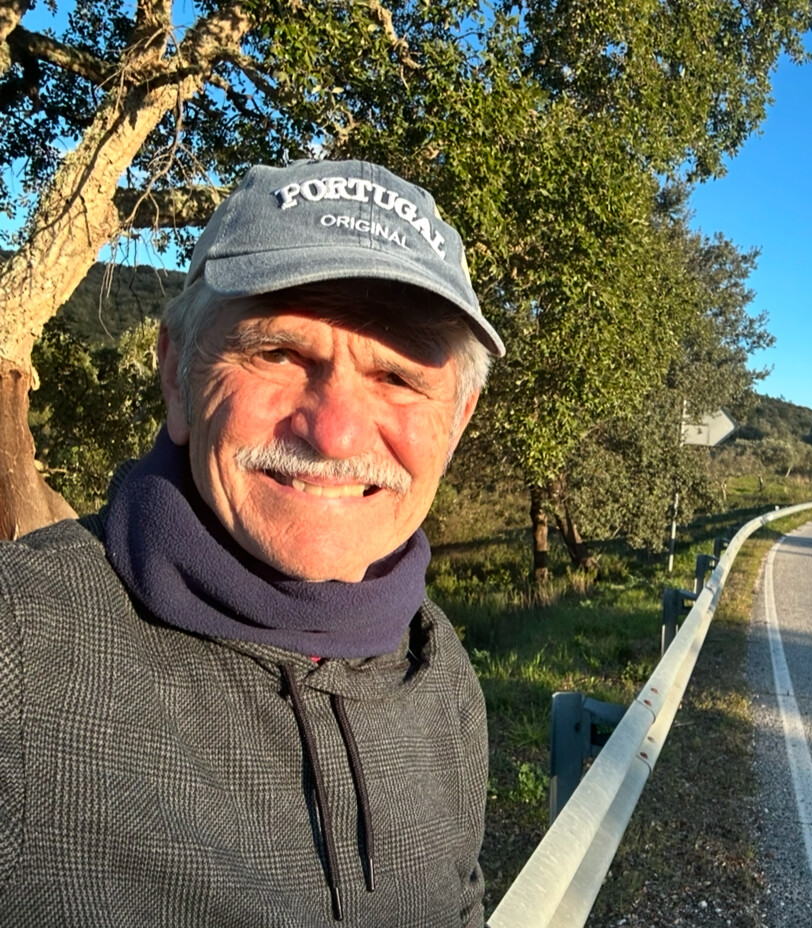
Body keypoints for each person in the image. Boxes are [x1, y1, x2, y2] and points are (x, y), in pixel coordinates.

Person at [0, 159, 506, 926]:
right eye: (278, 354)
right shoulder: (22, 648)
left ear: (457, 421)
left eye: (398, 377)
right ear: (178, 376)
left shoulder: (439, 670)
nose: (334, 433)